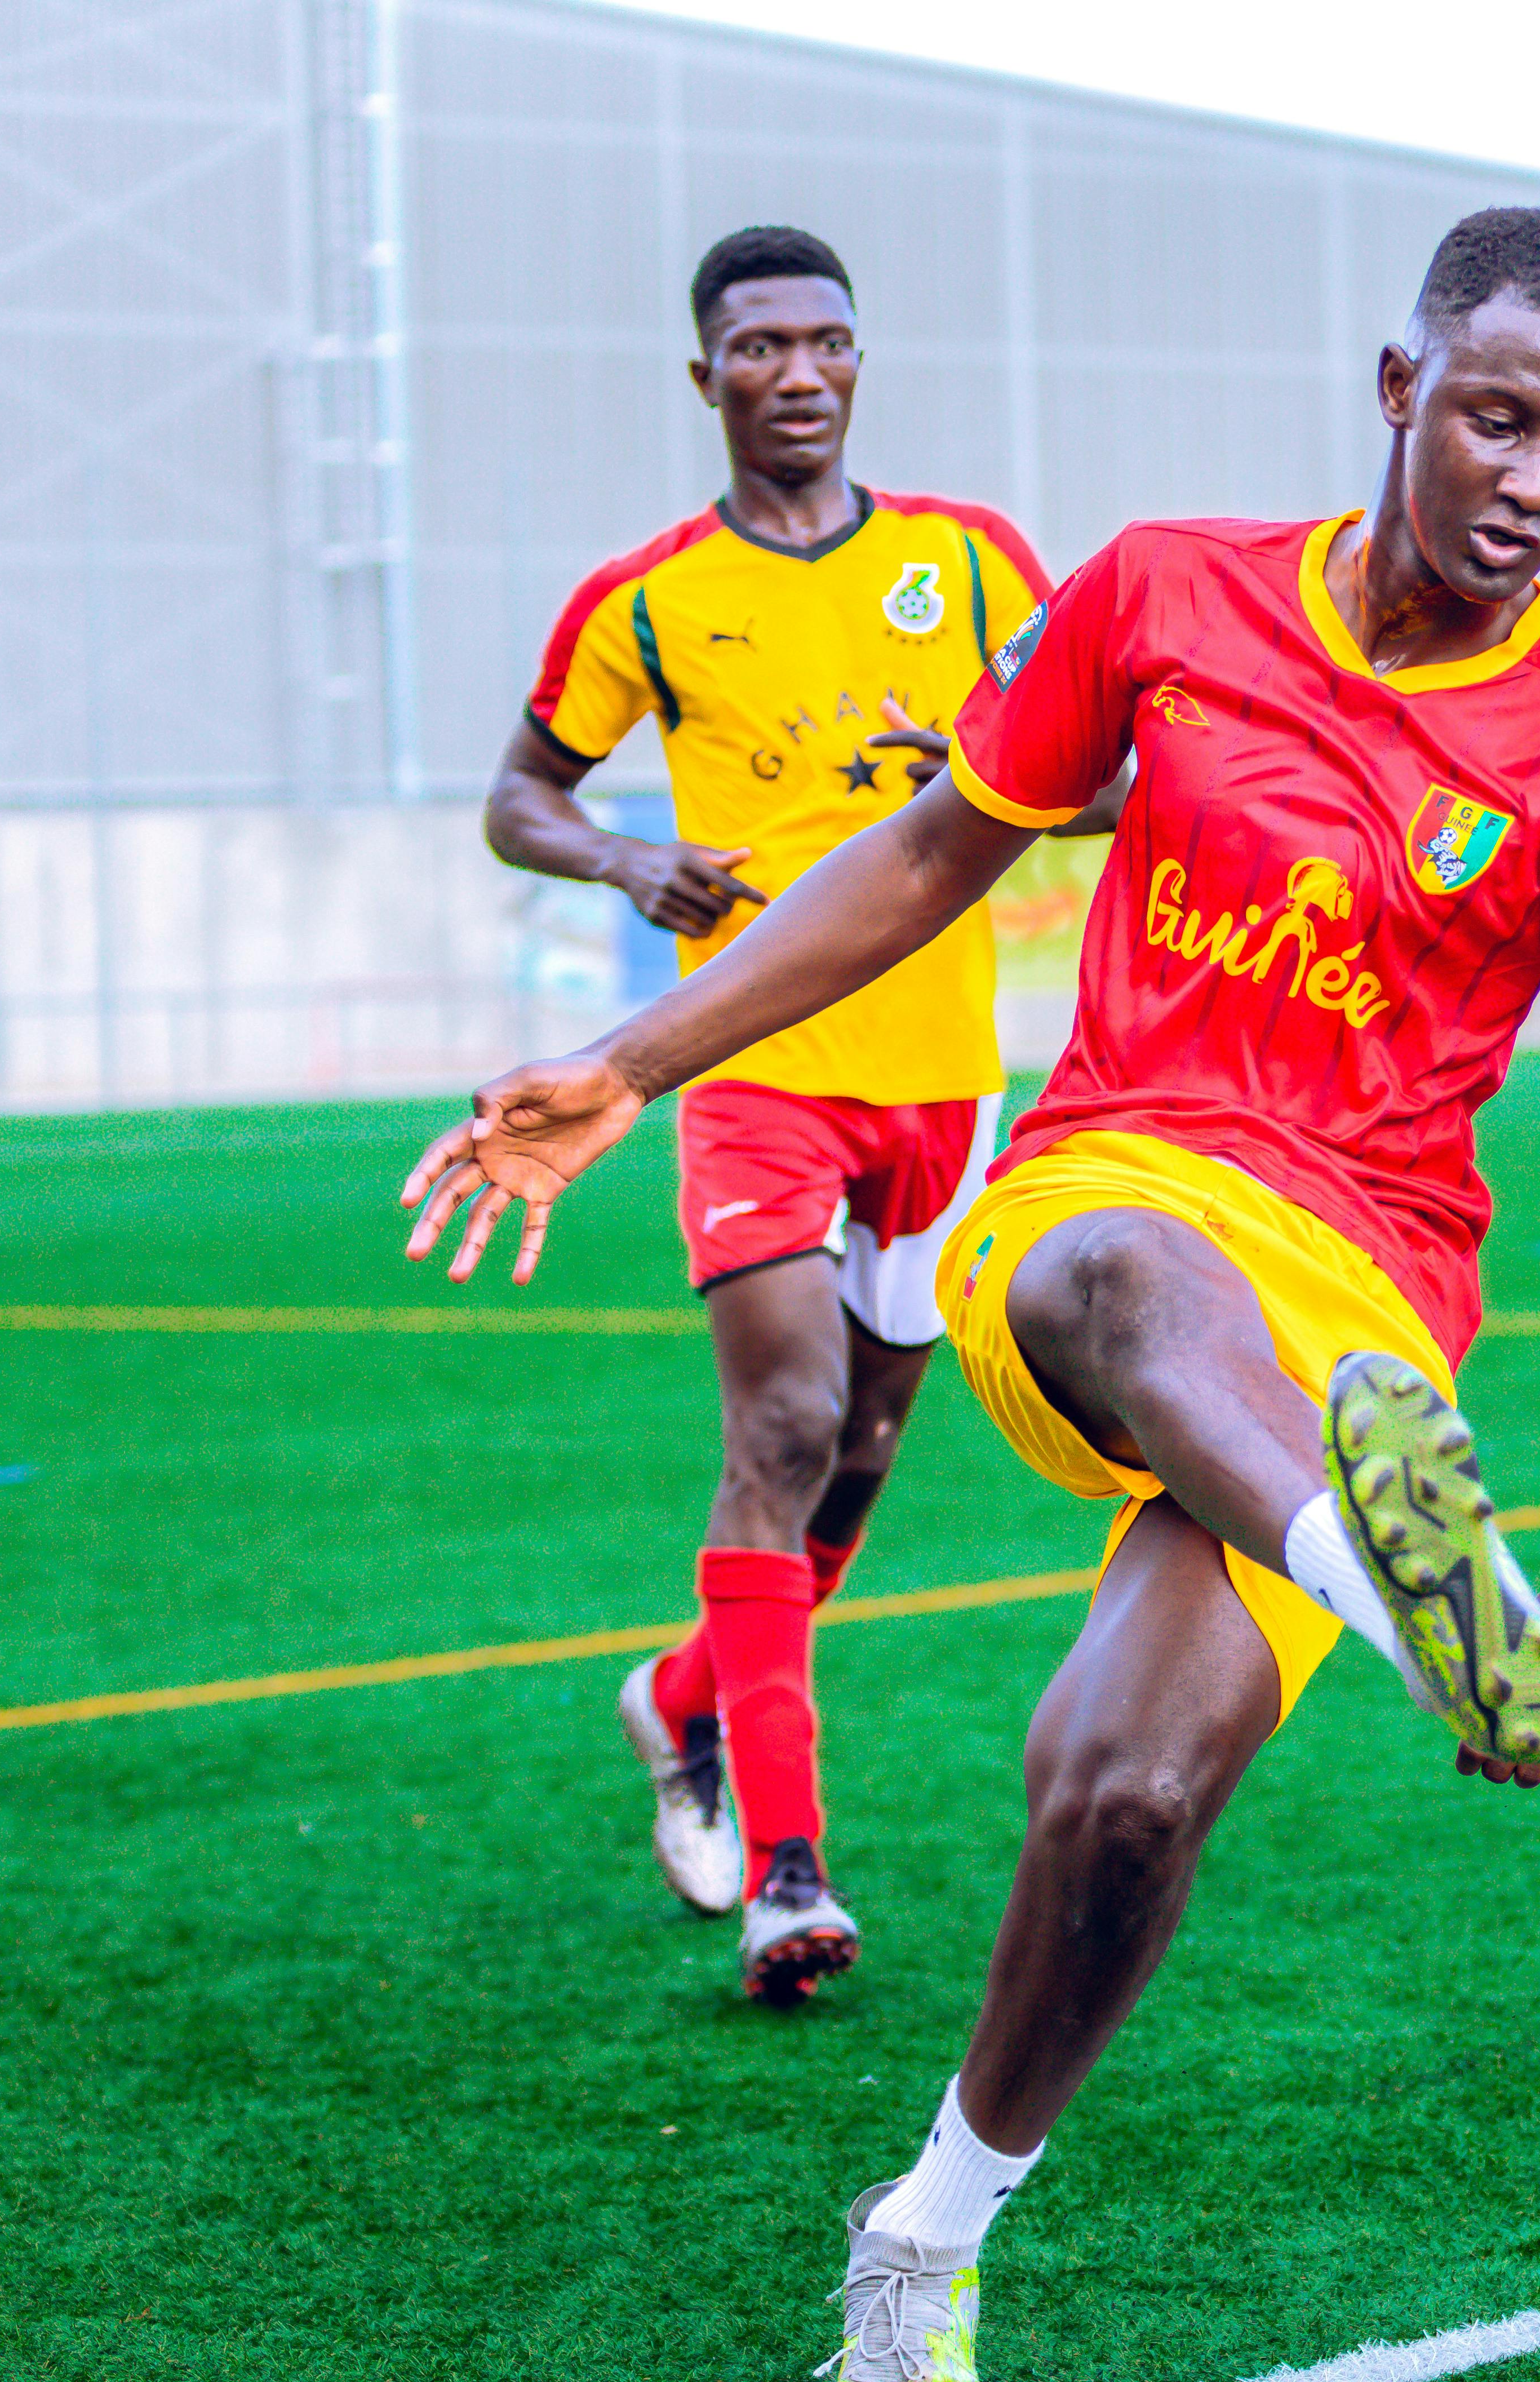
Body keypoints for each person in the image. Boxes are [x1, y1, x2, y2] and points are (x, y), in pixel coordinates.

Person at [401, 206, 1540, 2382]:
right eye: (1498, 419)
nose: (1535, 480)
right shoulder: (1163, 595)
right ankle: (1413, 1604)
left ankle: (922, 2241)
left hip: (1358, 1315)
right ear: (1401, 387)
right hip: (1102, 1204)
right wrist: (630, 1064)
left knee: (1123, 1786)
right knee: (1123, 1277)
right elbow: (932, 857)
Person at [477, 223, 1050, 2006]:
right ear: (705, 374)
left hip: (944, 1081)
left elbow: (1100, 766)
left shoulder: (970, 562)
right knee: (787, 1421)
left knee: (861, 1455)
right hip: (749, 1069)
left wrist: (996, 785)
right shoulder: (647, 598)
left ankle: (683, 1699)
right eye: (758, 347)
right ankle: (789, 1876)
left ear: (859, 361)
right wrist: (622, 854)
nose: (797, 373)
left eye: (826, 342)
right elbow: (518, 796)